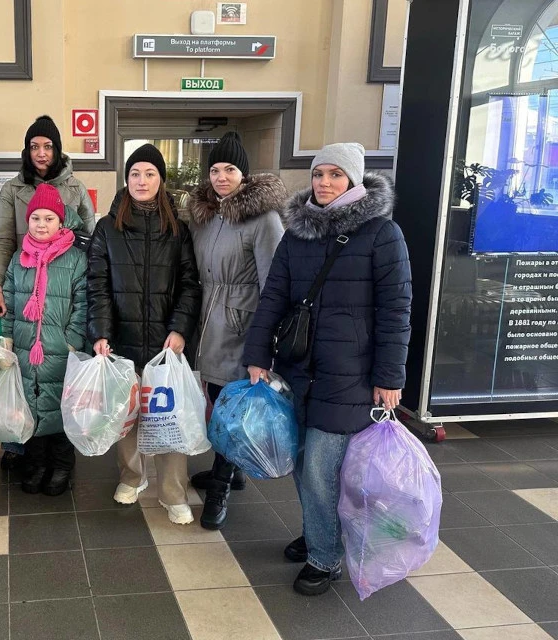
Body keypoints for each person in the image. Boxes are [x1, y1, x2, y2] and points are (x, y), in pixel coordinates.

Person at [242, 143, 412, 595]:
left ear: (354, 180)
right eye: (319, 174)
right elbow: (273, 297)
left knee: (320, 467)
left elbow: (397, 311)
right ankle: (319, 531)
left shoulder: (381, 234)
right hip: (300, 369)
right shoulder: (297, 234)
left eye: (336, 175)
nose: (324, 183)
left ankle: (325, 556)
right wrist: (257, 356)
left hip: (350, 376)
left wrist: (389, 377)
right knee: (301, 462)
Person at [86, 144, 202, 524]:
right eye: (135, 173)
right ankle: (133, 477)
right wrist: (101, 332)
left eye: (150, 173)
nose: (142, 180)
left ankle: (173, 491)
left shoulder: (177, 229)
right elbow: (98, 284)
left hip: (167, 343)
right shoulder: (108, 226)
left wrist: (180, 328)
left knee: (170, 415)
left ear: (161, 181)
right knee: (129, 414)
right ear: (127, 179)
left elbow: (189, 283)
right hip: (122, 338)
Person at [186, 132, 287, 530]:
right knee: (216, 400)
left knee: (233, 408)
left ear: (244, 175)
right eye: (214, 169)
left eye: (230, 169)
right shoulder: (205, 217)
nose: (221, 176)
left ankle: (220, 489)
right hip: (208, 326)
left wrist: (263, 347)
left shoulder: (263, 219)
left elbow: (275, 287)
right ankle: (234, 468)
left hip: (242, 326)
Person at [0, 115, 96, 469]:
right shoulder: (12, 189)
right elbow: (3, 240)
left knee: (56, 386)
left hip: (61, 289)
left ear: (57, 149)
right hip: (23, 282)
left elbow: (91, 242)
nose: (40, 153)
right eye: (34, 146)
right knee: (22, 377)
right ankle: (21, 449)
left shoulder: (75, 188)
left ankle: (59, 461)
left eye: (47, 146)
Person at [1, 184, 87, 496]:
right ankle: (35, 464)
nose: (41, 224)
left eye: (48, 218)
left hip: (60, 350)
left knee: (61, 409)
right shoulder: (18, 258)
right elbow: (9, 304)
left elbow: (82, 305)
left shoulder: (76, 259)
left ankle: (62, 465)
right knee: (31, 408)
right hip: (25, 350)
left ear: (60, 222)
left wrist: (72, 342)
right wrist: (7, 337)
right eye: (35, 218)